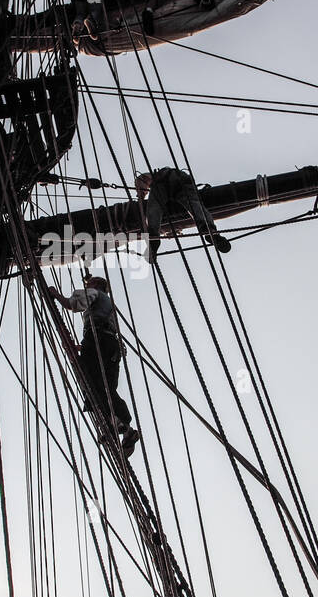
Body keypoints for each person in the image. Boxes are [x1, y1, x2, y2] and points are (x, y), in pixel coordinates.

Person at [48, 275, 139, 455]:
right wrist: (82, 347)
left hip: (97, 340)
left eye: (89, 284)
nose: (87, 285)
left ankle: (116, 424)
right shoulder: (109, 305)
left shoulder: (95, 293)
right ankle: (124, 428)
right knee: (107, 387)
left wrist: (55, 295)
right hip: (111, 346)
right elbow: (105, 333)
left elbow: (73, 305)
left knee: (91, 382)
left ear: (96, 285)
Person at [135, 168, 231, 260]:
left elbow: (141, 180)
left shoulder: (149, 177)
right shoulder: (156, 176)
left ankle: (153, 239)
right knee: (194, 205)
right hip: (182, 181)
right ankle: (210, 231)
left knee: (153, 209)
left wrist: (141, 196)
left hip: (163, 182)